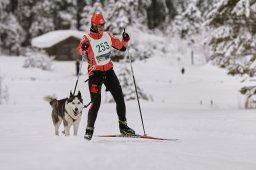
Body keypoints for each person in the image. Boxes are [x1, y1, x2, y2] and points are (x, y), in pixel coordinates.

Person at [78, 13, 135, 140]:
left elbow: (121, 47)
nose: (102, 27)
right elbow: (80, 51)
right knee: (96, 102)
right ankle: (89, 129)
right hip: (95, 74)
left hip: (109, 71)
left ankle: (123, 127)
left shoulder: (107, 35)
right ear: (94, 25)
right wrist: (84, 47)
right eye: (100, 25)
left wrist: (125, 40)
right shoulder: (86, 38)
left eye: (103, 24)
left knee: (119, 97)